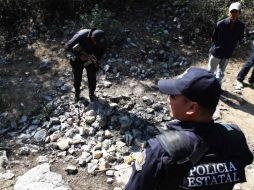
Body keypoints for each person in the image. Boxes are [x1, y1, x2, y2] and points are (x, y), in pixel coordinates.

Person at [125, 67, 253, 190]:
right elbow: (246, 159)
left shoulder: (159, 150)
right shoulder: (235, 136)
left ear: (192, 108)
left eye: (173, 96)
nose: (168, 98)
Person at [65, 28, 107, 102]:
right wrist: (79, 56)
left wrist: (96, 59)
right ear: (92, 38)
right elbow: (67, 47)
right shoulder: (81, 35)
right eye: (95, 42)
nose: (96, 44)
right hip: (77, 60)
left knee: (92, 77)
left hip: (91, 59)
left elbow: (103, 50)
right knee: (77, 77)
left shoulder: (102, 39)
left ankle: (92, 94)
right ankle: (77, 94)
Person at [208, 2, 245, 84]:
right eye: (232, 12)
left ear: (239, 13)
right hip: (216, 52)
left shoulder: (241, 26)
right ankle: (208, 88)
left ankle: (217, 89)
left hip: (228, 53)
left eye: (236, 12)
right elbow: (213, 38)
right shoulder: (220, 24)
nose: (234, 14)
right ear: (229, 12)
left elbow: (240, 38)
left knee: (221, 73)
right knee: (210, 72)